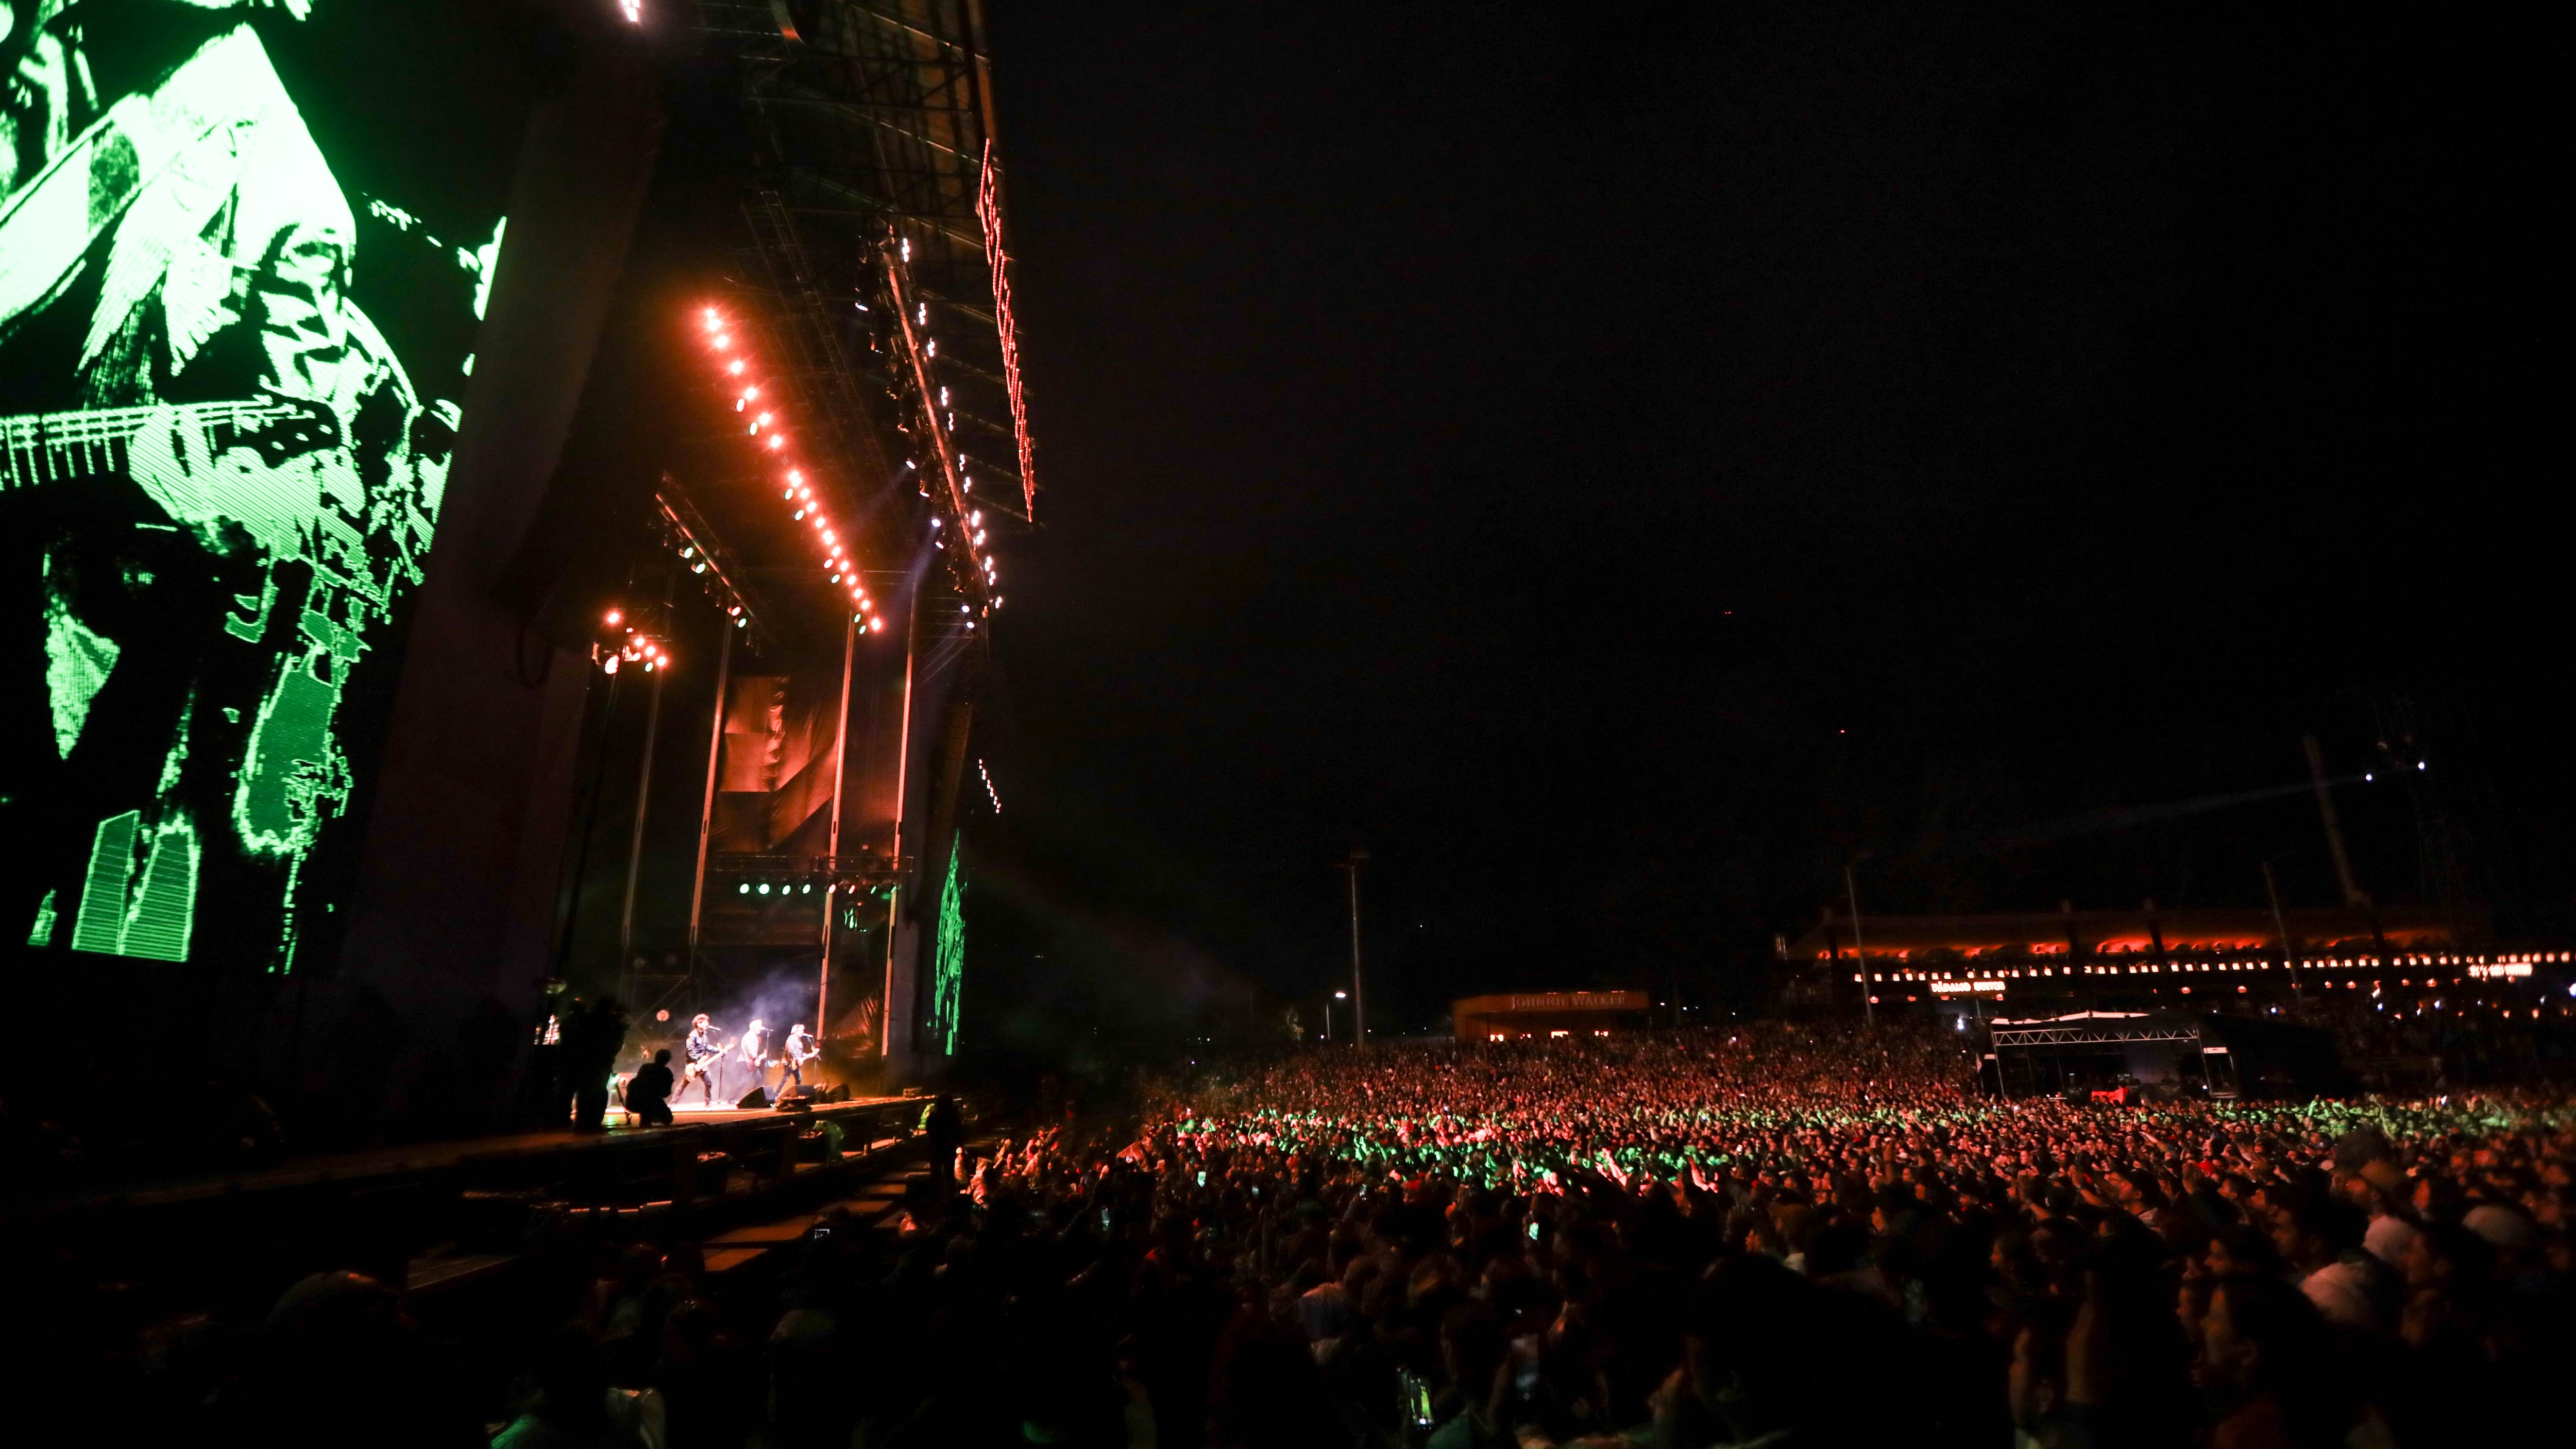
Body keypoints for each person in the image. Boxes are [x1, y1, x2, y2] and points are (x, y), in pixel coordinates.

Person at [682, 1014, 723, 1107]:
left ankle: (708, 1103)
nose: (708, 1024)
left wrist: (719, 1050)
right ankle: (673, 1104)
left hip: (702, 1064)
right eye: (705, 1023)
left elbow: (707, 1047)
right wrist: (697, 1063)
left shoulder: (704, 1035)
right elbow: (691, 1051)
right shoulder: (692, 1036)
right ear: (699, 1024)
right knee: (684, 1084)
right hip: (693, 1064)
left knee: (708, 1082)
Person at [625, 1048, 674, 1128]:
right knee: (668, 1119)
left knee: (649, 1103)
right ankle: (648, 1116)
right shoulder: (666, 1073)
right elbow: (666, 1093)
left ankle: (646, 1116)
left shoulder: (645, 1067)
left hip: (632, 1102)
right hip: (647, 1102)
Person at [776, 1022, 818, 1096]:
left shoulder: (798, 1040)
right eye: (801, 1030)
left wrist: (809, 1055)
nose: (803, 1032)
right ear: (796, 1031)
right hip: (790, 1062)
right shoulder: (792, 1038)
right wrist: (798, 1059)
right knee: (785, 1079)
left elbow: (799, 1053)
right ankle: (776, 1094)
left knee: (799, 1079)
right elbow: (791, 1051)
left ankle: (795, 1093)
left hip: (796, 1062)